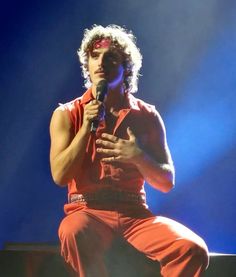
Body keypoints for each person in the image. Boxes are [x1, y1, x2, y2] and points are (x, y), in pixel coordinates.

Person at [49, 24, 209, 277]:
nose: (101, 62)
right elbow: (60, 176)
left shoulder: (147, 115)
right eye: (94, 55)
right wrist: (86, 129)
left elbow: (166, 181)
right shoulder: (66, 114)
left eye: (110, 56)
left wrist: (138, 157)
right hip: (88, 212)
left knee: (192, 248)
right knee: (72, 231)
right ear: (87, 64)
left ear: (126, 67)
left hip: (136, 216)